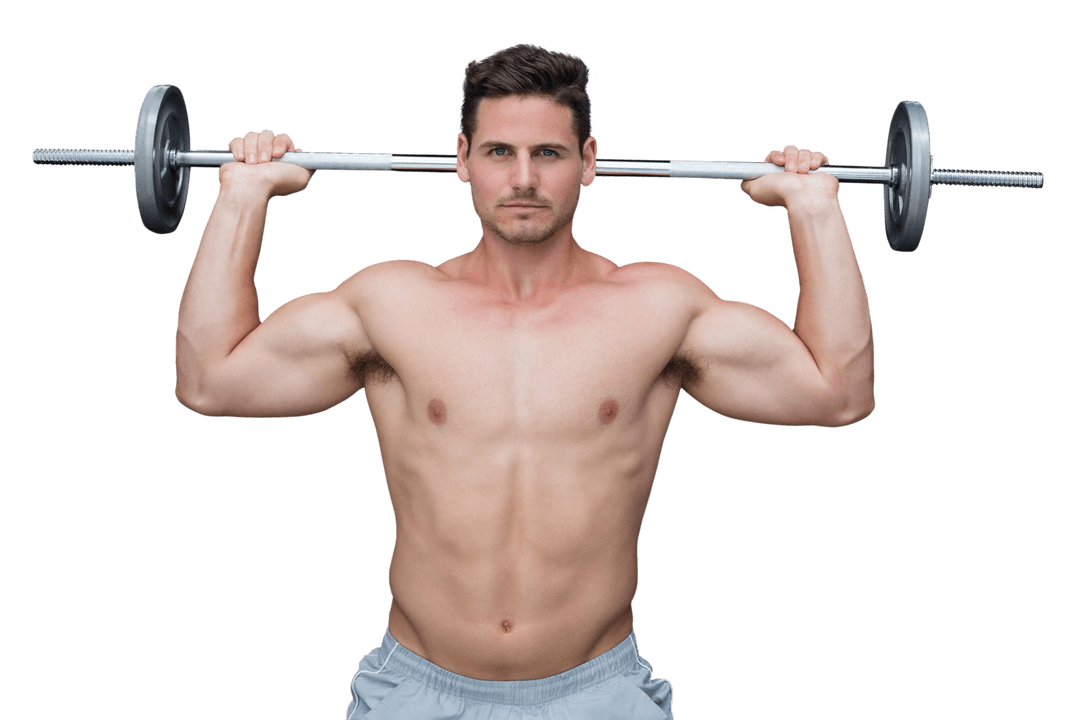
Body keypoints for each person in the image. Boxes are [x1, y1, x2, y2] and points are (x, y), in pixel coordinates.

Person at [174, 42, 874, 720]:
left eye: (548, 153)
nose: (524, 179)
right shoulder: (393, 303)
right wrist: (243, 196)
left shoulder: (657, 307)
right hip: (417, 692)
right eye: (499, 153)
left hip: (597, 695)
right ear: (462, 160)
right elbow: (211, 379)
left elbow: (837, 392)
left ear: (588, 162)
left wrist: (814, 212)